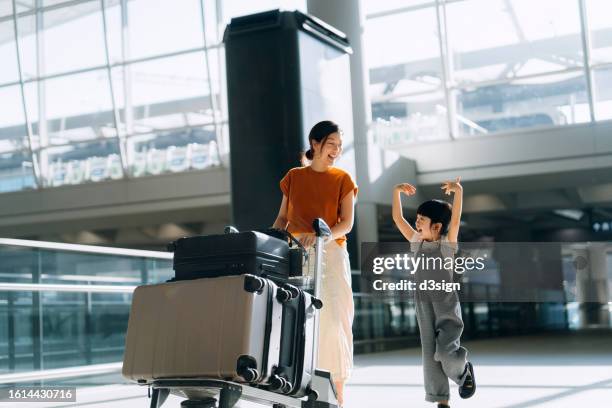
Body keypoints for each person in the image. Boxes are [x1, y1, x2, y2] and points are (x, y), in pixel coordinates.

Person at [272, 120, 357, 406]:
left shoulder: (343, 179)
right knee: (299, 321)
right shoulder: (294, 177)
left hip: (330, 253)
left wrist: (319, 235)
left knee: (334, 321)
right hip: (297, 254)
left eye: (340, 146)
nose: (336, 150)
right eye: (331, 143)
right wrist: (270, 242)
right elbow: (283, 219)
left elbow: (346, 224)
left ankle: (338, 395)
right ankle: (298, 388)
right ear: (315, 143)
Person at [391, 178, 476, 408]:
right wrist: (396, 192)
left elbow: (455, 219)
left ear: (437, 226)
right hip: (423, 305)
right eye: (417, 218)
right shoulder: (416, 242)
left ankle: (463, 371)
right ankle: (441, 400)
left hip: (446, 307)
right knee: (430, 356)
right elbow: (398, 219)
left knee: (447, 354)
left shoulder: (447, 245)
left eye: (421, 219)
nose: (416, 222)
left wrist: (458, 192)